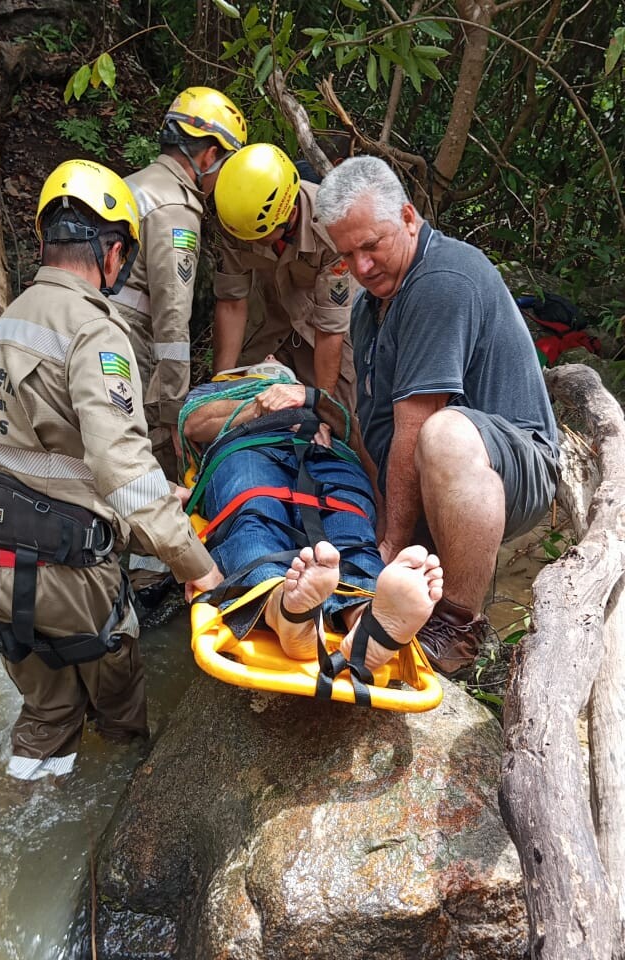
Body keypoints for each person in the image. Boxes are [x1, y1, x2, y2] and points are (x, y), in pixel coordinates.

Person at [0, 159, 222, 781]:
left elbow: (33, 450)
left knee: (46, 716)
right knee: (122, 722)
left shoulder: (7, 320)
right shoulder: (96, 332)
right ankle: (112, 822)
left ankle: (23, 799)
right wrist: (197, 567)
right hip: (67, 579)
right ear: (115, 251)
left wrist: (159, 491)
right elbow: (120, 467)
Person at [314, 155, 560, 678]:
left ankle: (458, 628)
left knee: (440, 432)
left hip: (510, 466)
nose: (360, 267)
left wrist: (388, 548)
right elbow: (375, 431)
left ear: (407, 217)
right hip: (436, 480)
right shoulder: (368, 306)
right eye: (346, 254)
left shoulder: (440, 279)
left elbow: (413, 430)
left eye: (371, 245)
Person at [180, 359, 443, 673]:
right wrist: (261, 408)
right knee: (255, 512)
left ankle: (366, 617)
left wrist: (308, 398)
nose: (270, 359)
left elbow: (353, 434)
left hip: (326, 451)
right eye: (264, 359)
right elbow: (192, 425)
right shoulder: (218, 389)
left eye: (276, 361)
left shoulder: (313, 398)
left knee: (348, 524)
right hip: (247, 447)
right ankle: (286, 609)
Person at [109, 86, 247, 604]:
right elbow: (172, 321)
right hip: (129, 355)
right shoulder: (176, 208)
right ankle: (144, 587)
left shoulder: (131, 185)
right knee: (149, 470)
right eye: (224, 162)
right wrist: (176, 408)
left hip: (93, 346)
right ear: (209, 154)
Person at [211, 143, 359, 416]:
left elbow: (331, 329)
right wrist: (221, 386)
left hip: (323, 340)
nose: (247, 243)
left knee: (338, 425)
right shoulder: (237, 218)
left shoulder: (332, 228)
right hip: (267, 331)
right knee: (237, 415)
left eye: (257, 237)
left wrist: (322, 405)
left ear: (288, 215)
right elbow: (232, 301)